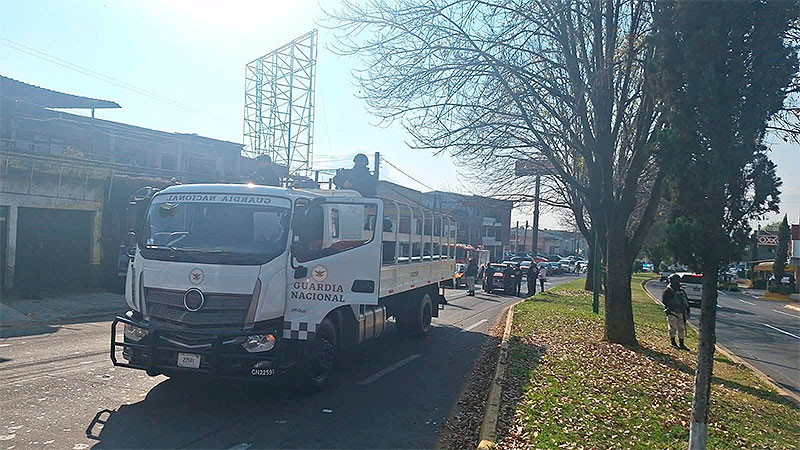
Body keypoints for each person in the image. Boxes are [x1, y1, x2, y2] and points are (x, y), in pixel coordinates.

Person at [662, 274, 691, 350]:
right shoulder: (668, 290)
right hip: (672, 312)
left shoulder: (681, 291)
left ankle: (681, 343)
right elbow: (665, 301)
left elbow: (686, 301)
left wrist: (687, 310)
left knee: (681, 328)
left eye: (677, 280)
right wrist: (673, 308)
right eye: (675, 280)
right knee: (673, 327)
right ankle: (673, 342)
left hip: (681, 312)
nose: (676, 282)